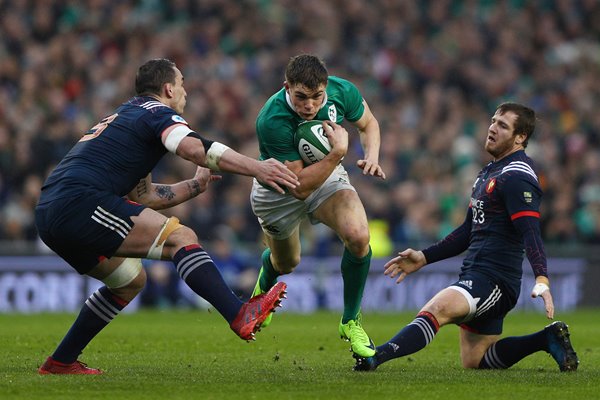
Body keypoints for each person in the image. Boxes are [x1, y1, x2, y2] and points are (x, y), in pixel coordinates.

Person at [34, 58, 300, 375]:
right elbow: (191, 148)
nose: (185, 91)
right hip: (79, 203)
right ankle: (238, 312)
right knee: (180, 238)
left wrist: (195, 185)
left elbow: (142, 196)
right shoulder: (156, 112)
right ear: (168, 88)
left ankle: (61, 361)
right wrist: (259, 168)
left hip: (53, 210)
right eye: (183, 83)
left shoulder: (127, 118)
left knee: (129, 282)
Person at [353, 102, 579, 372]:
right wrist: (424, 257)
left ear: (521, 137)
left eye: (503, 125)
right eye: (493, 121)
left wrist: (542, 276)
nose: (492, 128)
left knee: (438, 308)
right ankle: (546, 339)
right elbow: (468, 231)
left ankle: (375, 357)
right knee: (476, 361)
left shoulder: (517, 176)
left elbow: (530, 232)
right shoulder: (489, 172)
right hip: (476, 272)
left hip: (495, 279)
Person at [250, 54, 386, 357]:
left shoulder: (341, 91)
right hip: (279, 189)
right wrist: (337, 153)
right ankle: (265, 281)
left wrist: (372, 156)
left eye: (317, 97)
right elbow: (298, 187)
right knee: (287, 263)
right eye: (301, 97)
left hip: (326, 176)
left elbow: (369, 123)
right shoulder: (271, 119)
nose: (309, 106)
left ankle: (351, 321)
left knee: (359, 236)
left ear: (326, 88)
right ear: (286, 87)